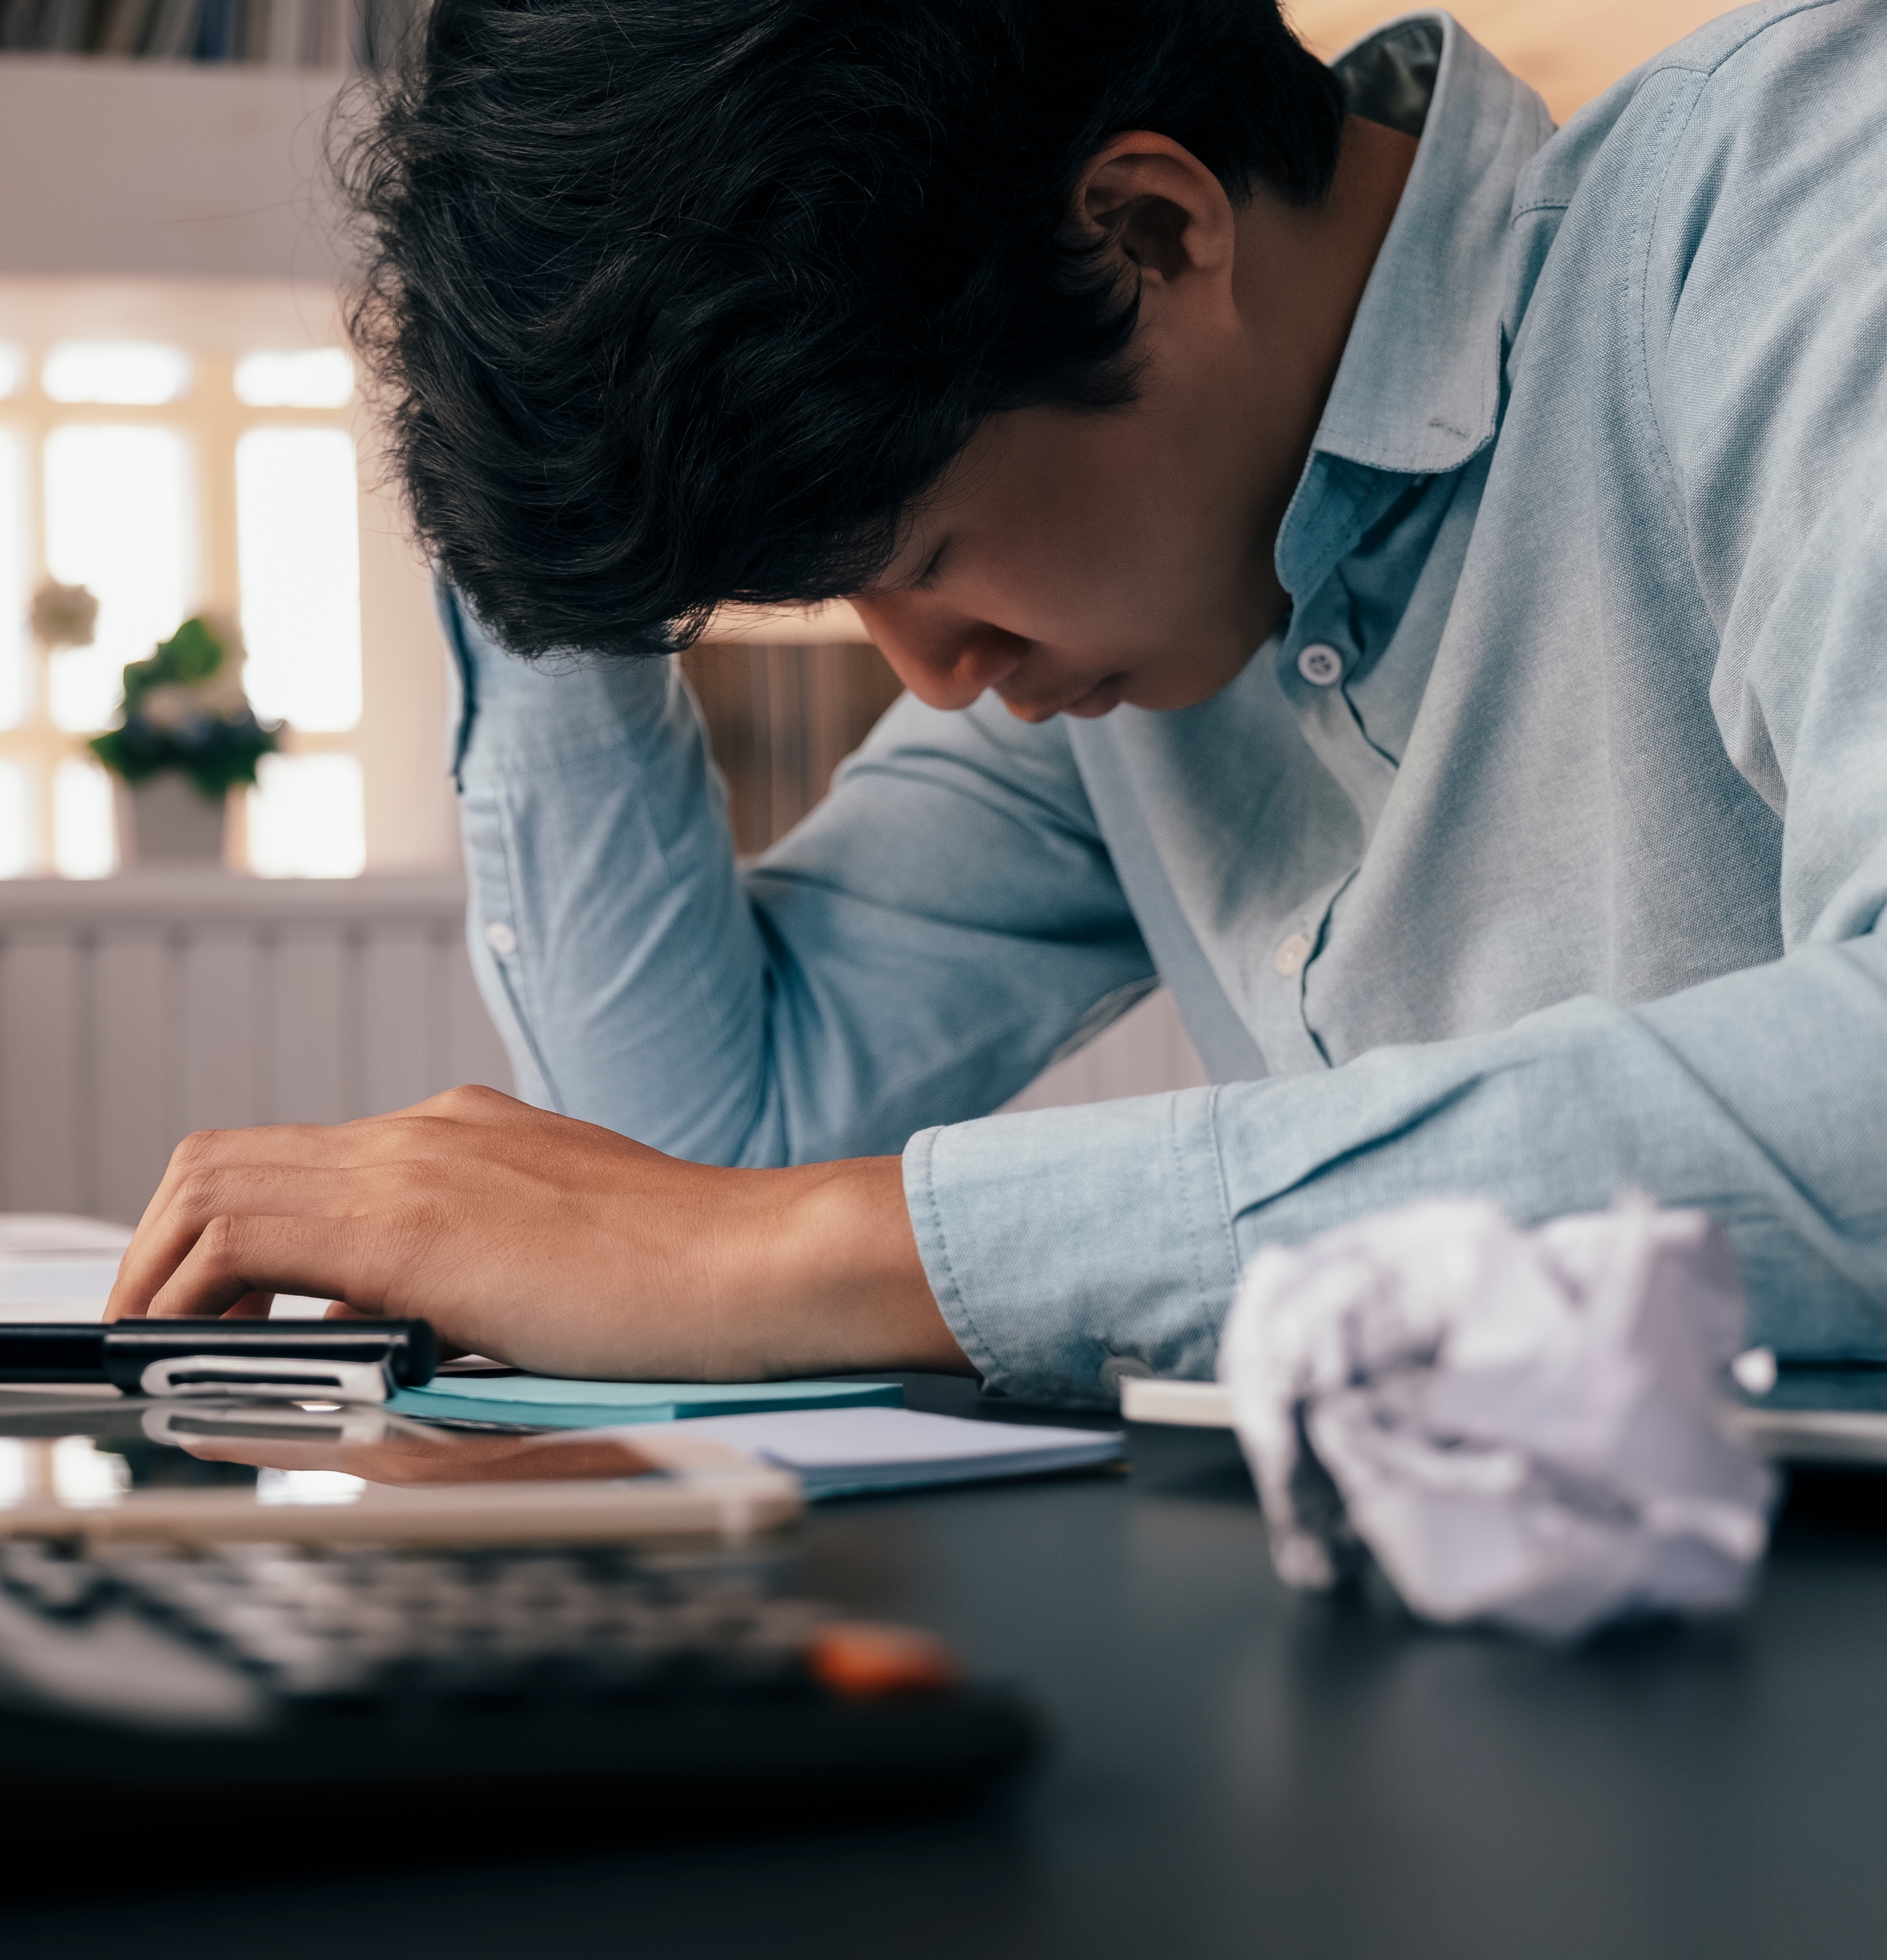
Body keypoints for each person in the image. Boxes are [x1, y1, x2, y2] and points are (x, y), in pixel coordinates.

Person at [105, 0, 1887, 1403]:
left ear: (1149, 230)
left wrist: (833, 1247)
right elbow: (698, 1146)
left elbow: (733, 1230)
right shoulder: (1158, 610)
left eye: (927, 550)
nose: (934, 672)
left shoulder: (1798, 196)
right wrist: (548, 504)